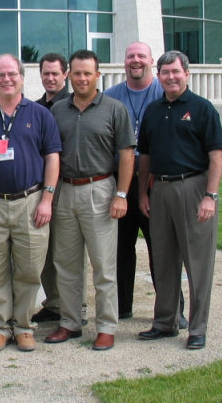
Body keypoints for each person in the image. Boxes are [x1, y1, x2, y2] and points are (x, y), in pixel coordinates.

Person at [0, 54, 61, 353]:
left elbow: (52, 158)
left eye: (12, 74)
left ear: (21, 77)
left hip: (30, 203)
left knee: (29, 269)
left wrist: (47, 199)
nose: (7, 79)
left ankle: (23, 327)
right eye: (1, 75)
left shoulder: (40, 114)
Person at [136, 50, 222, 350]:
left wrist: (210, 196)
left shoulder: (202, 108)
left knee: (197, 263)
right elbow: (145, 156)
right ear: (158, 76)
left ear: (186, 73)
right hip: (160, 189)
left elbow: (216, 154)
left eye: (176, 71)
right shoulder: (153, 110)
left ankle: (197, 328)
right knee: (162, 260)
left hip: (194, 188)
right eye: (165, 72)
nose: (171, 77)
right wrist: (143, 192)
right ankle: (165, 322)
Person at [47, 50, 135, 351]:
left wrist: (121, 194)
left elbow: (126, 154)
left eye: (88, 73)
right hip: (65, 190)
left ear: (98, 75)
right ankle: (70, 322)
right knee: (66, 263)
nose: (82, 78)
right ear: (68, 76)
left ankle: (106, 326)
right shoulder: (58, 110)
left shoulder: (114, 109)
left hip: (100, 189)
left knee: (103, 265)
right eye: (77, 73)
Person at [103, 42, 164, 320]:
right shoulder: (111, 97)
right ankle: (122, 307)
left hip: (155, 184)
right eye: (130, 56)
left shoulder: (163, 92)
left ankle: (171, 309)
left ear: (151, 60)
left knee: (161, 249)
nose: (135, 60)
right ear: (124, 61)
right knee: (121, 249)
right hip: (121, 183)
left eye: (141, 56)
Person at [31, 52, 70, 324]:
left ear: (65, 74)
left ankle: (73, 305)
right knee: (44, 247)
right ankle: (53, 302)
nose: (50, 78)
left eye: (55, 73)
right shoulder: (35, 108)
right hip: (40, 188)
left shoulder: (73, 104)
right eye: (46, 73)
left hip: (67, 186)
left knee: (67, 249)